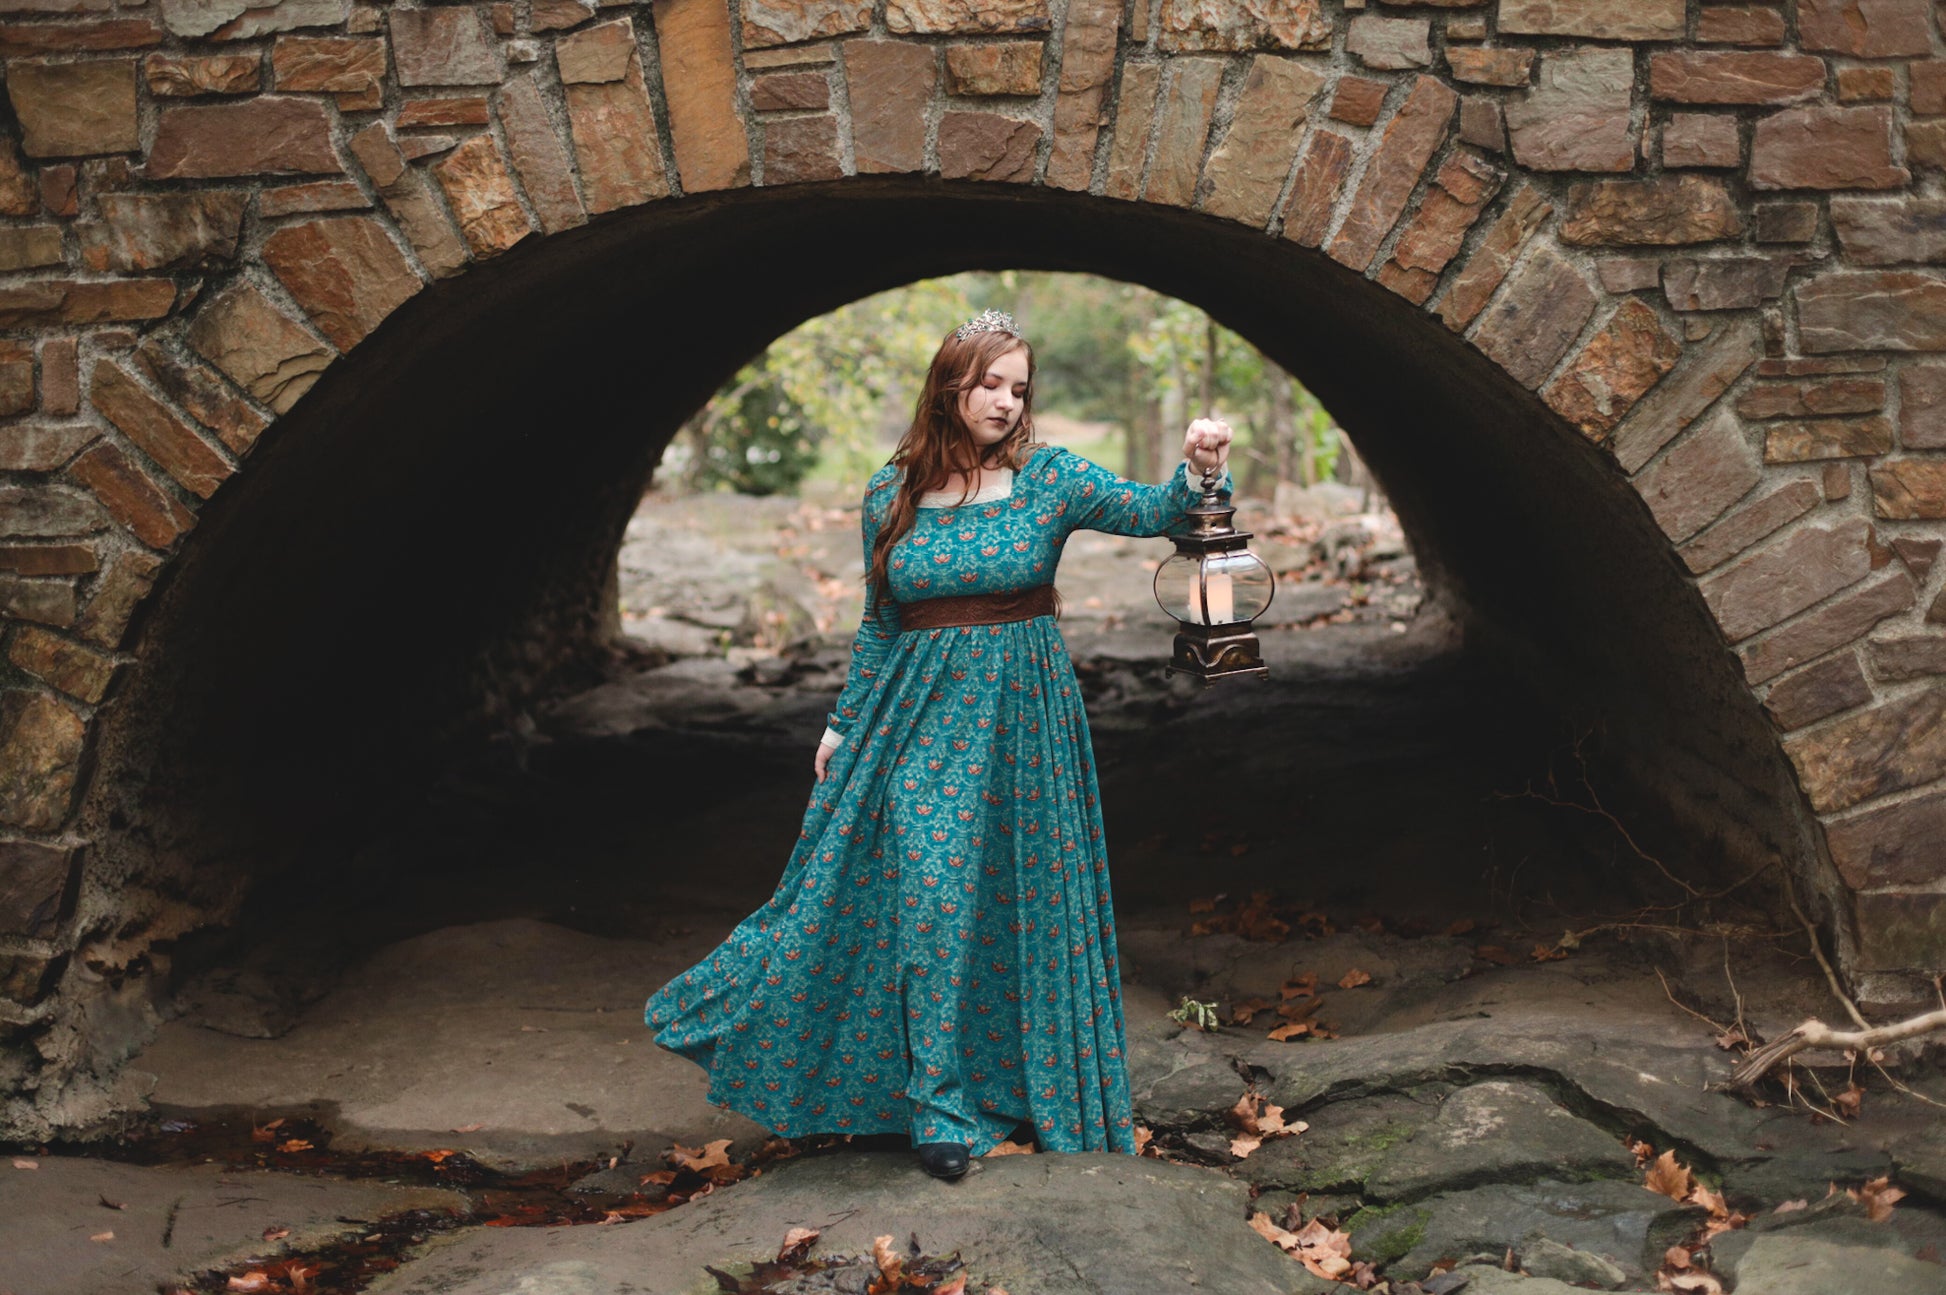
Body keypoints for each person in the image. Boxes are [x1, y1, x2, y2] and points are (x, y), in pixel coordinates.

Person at [644, 308, 1234, 1182]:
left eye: (1019, 388)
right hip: (915, 718)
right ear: (949, 384)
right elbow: (880, 620)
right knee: (928, 899)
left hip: (1026, 724)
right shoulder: (891, 492)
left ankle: (1013, 1085)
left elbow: (1155, 511)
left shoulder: (1050, 477)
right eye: (989, 383)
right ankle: (936, 1102)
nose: (1005, 401)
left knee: (1014, 902)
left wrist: (1200, 468)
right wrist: (843, 723)